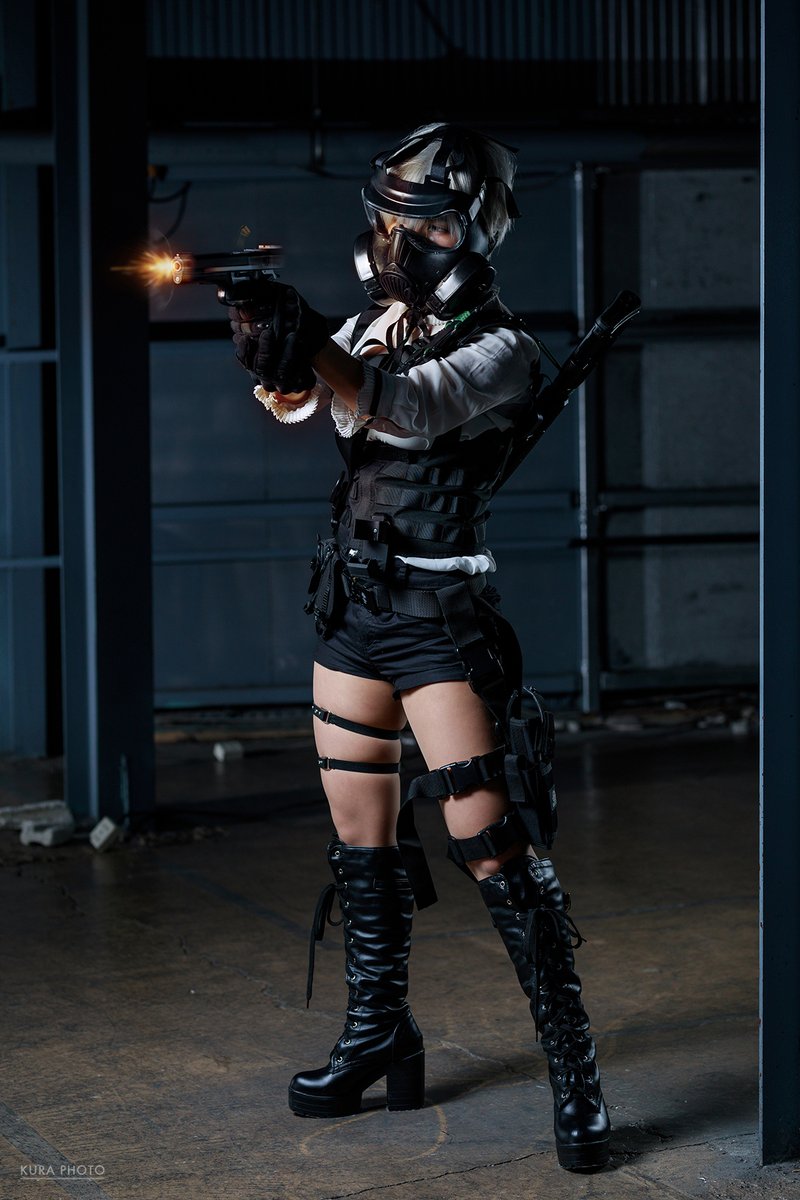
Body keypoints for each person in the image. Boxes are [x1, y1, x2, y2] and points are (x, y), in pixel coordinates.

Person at [227, 123, 611, 1172]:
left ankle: (574, 1069)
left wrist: (315, 343)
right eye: (393, 219)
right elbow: (309, 402)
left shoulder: (503, 349)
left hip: (439, 619)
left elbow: (402, 412)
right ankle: (379, 1034)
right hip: (349, 610)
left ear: (472, 232)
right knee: (362, 842)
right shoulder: (368, 326)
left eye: (428, 224)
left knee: (493, 847)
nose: (402, 240)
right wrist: (275, 351)